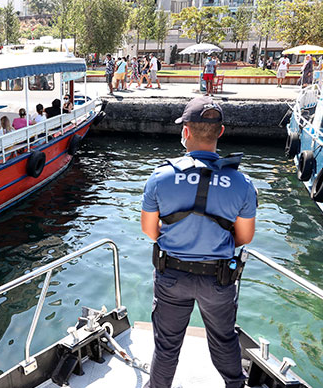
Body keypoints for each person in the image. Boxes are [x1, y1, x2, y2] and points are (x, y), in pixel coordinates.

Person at [140, 96, 257, 388]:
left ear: (186, 132)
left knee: (167, 347)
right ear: (220, 132)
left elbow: (149, 230)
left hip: (172, 276)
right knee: (224, 340)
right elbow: (244, 237)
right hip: (218, 279)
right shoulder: (242, 183)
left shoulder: (159, 177)